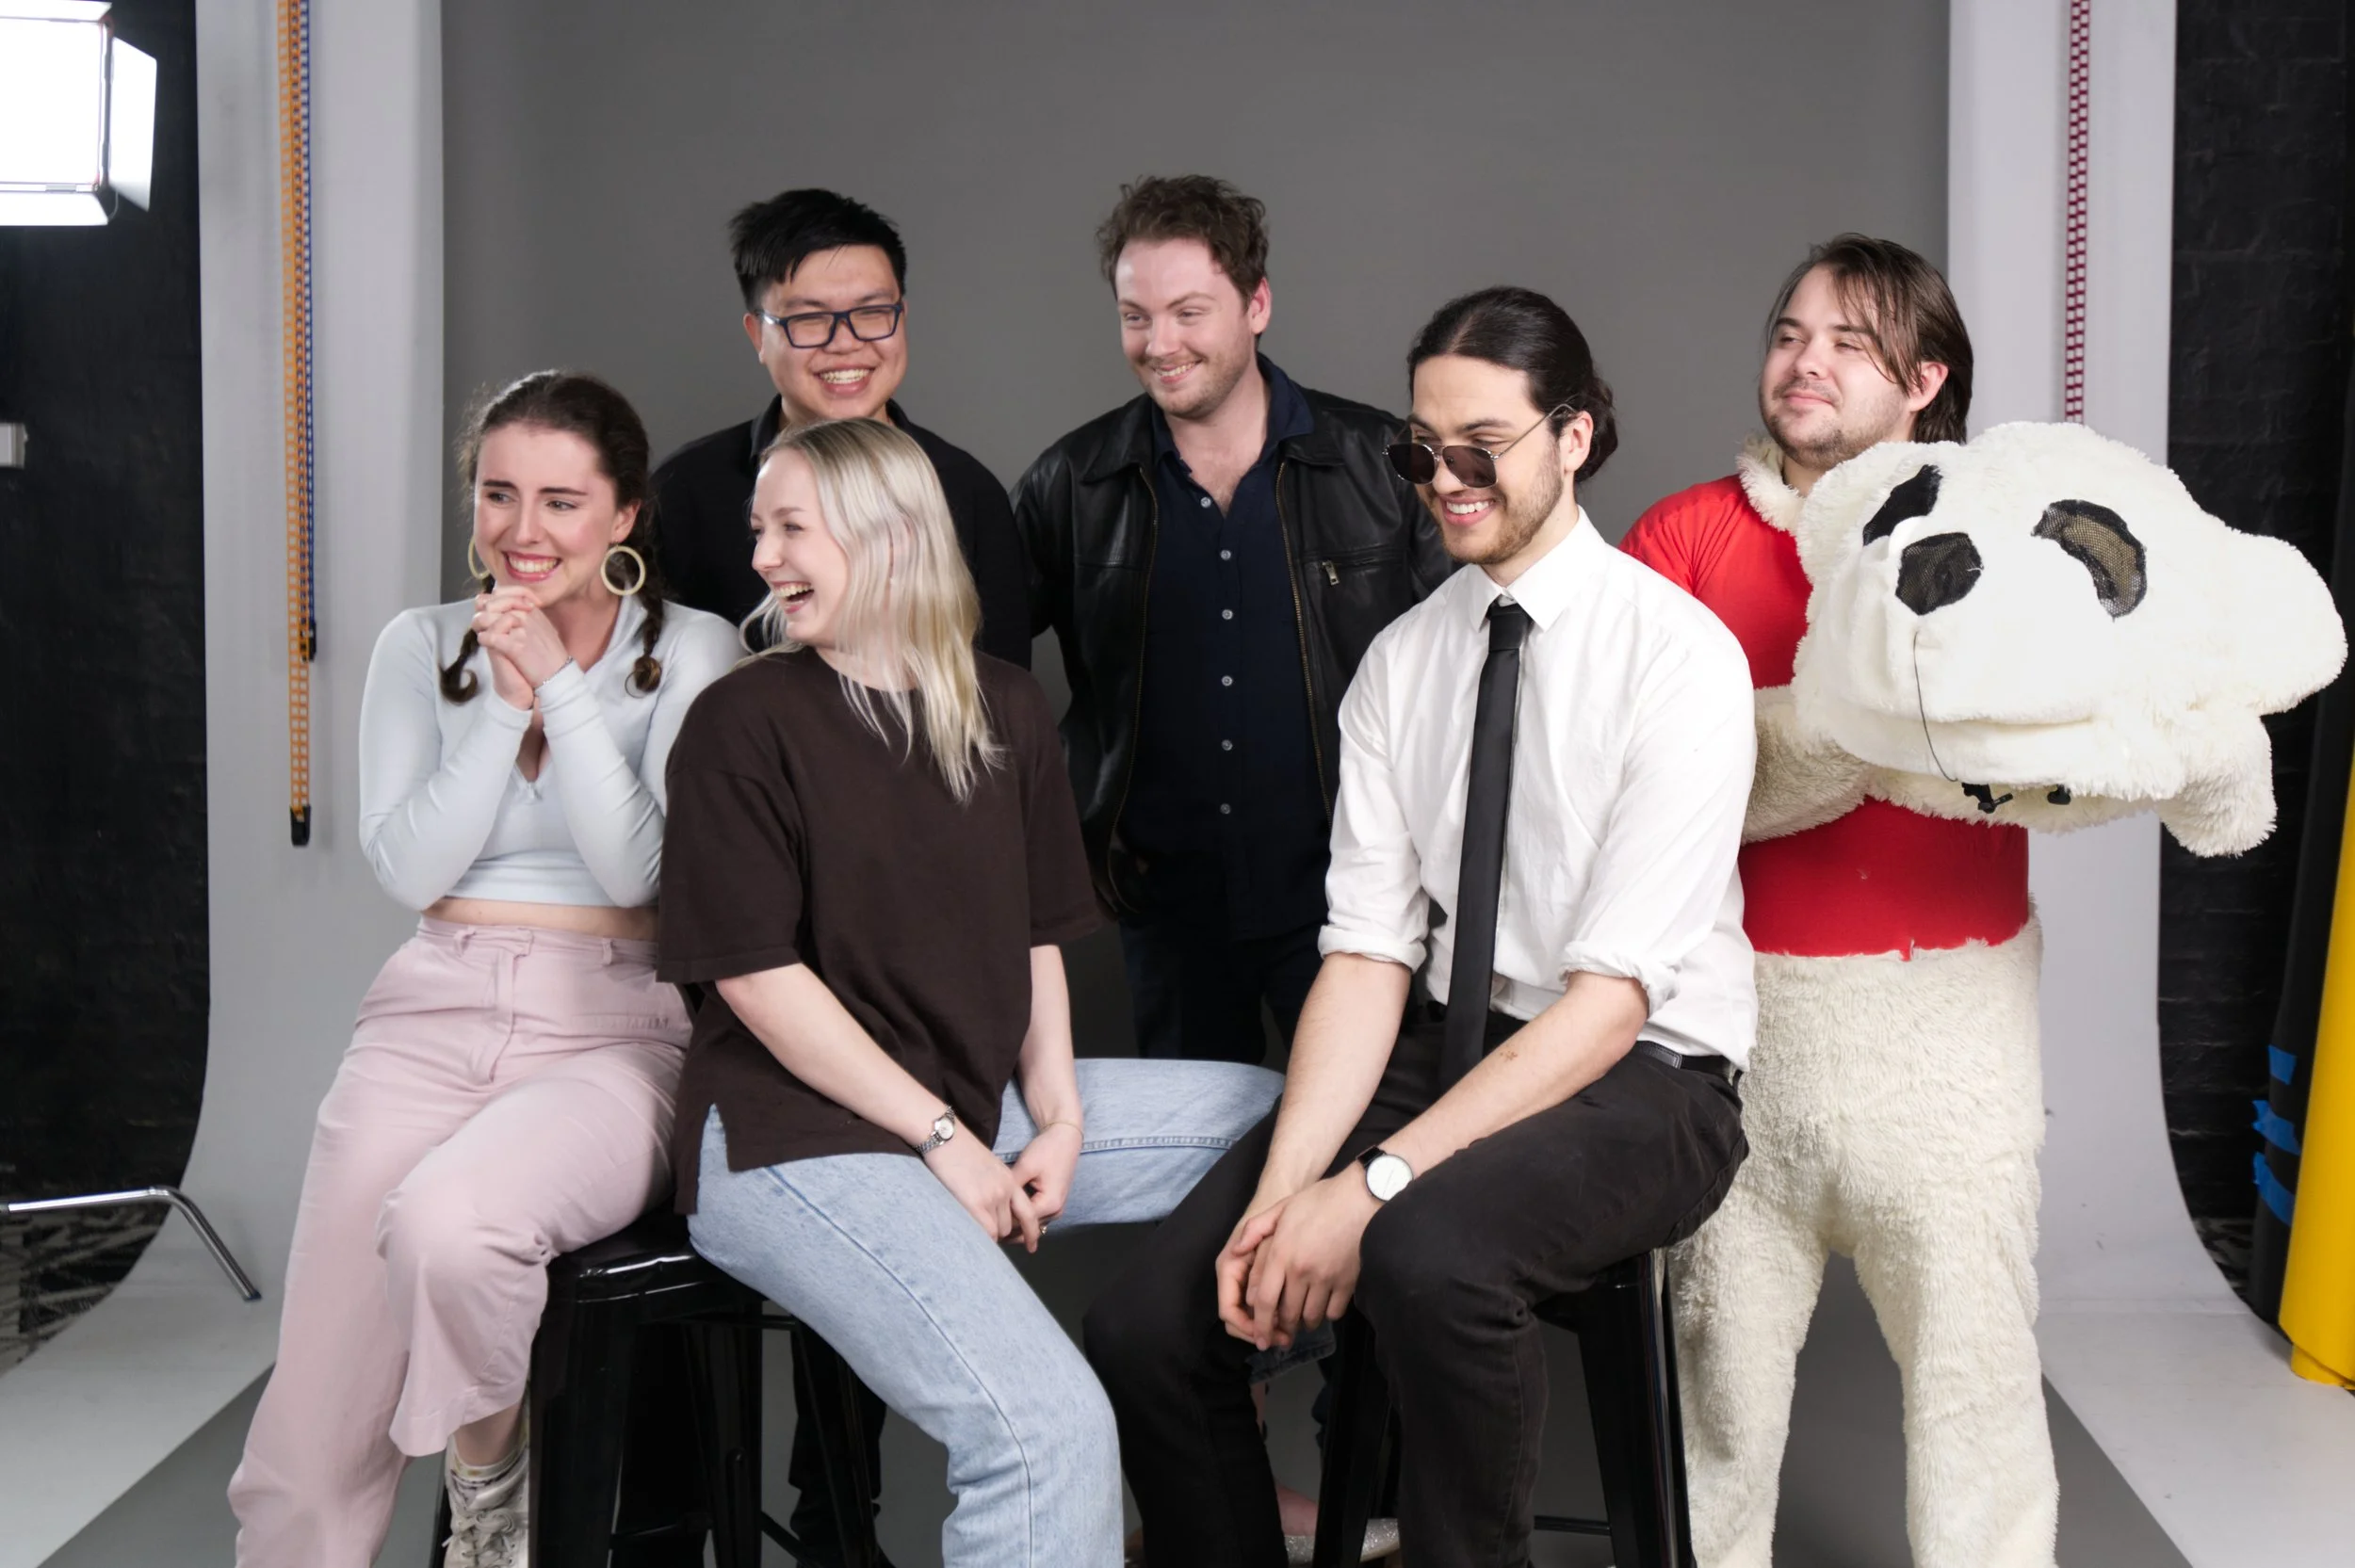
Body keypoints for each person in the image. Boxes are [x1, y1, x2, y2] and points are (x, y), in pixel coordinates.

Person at [1084, 287, 1757, 1568]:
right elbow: (1365, 954)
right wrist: (1283, 1199)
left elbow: (1610, 1004)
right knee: (1147, 1328)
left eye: (1481, 449)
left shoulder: (1677, 657)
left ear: (1573, 436)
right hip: (1450, 1040)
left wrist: (1372, 1186)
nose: (1445, 482)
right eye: (1422, 452)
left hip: (1648, 1078)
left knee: (1425, 1254)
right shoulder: (1403, 662)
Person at [658, 416, 1284, 1568]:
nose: (761, 558)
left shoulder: (1001, 706)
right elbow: (756, 978)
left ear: (890, 537)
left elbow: (1037, 937)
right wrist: (942, 1138)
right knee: (1044, 1432)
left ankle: (1184, 1387)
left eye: (791, 528)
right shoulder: (741, 721)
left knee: (1285, 1121)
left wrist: (1062, 1120)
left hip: (968, 1104)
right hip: (790, 1139)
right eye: (759, 530)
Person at [228, 371, 742, 1568]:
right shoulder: (420, 646)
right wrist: (499, 708)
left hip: (615, 1025)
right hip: (430, 1009)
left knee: (453, 1231)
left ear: (624, 516)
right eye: (498, 494)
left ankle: (487, 1487)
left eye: (561, 501)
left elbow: (639, 872)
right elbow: (410, 867)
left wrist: (557, 688)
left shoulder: (691, 648)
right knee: (311, 1426)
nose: (523, 530)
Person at [1618, 237, 2048, 1567]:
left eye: (1850, 344)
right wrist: (1860, 730)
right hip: (1735, 1027)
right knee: (1716, 1374)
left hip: (1950, 1033)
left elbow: (2043, 745)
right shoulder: (1683, 537)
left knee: (1975, 1369)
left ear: (1925, 380)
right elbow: (1631, 779)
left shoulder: (2003, 534)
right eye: (1790, 333)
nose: (1804, 363)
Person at [1015, 174, 1450, 1065]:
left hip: (1355, 901)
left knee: (1369, 1135)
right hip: (1164, 909)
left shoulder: (1380, 462)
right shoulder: (1071, 481)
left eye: (1188, 313)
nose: (1159, 344)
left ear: (1257, 305)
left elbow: (1469, 659)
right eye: (1135, 316)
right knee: (1195, 1146)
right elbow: (969, 671)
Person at [653, 186, 1030, 665]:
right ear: (758, 336)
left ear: (902, 317)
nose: (846, 343)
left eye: (872, 313)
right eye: (810, 319)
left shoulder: (967, 491)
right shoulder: (683, 490)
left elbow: (1000, 691)